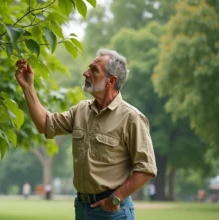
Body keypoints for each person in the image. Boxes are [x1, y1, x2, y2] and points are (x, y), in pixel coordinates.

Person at [15, 48, 157, 219]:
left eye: (94, 70)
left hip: (112, 213)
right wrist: (28, 87)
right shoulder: (81, 110)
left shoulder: (132, 118)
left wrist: (115, 198)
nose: (86, 73)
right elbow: (45, 124)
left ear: (111, 80)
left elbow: (146, 168)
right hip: (82, 209)